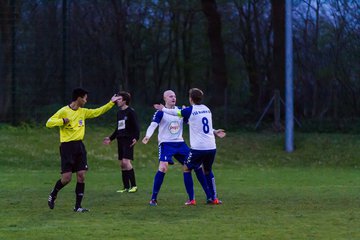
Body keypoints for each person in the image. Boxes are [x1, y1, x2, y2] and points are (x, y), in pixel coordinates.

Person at [46, 88, 121, 212]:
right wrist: (62, 121)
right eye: (85, 98)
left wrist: (111, 103)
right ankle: (53, 193)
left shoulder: (83, 112)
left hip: (79, 146)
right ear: (79, 98)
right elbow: (49, 123)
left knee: (81, 175)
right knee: (67, 178)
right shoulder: (64, 111)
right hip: (67, 147)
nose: (86, 100)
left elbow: (97, 112)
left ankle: (78, 206)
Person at [154, 88, 225, 204]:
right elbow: (201, 125)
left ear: (190, 99)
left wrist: (163, 109)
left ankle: (192, 199)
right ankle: (214, 198)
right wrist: (215, 131)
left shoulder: (189, 111)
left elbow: (175, 112)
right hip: (212, 147)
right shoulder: (207, 109)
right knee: (207, 170)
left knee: (187, 168)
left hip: (199, 148)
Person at [143, 90, 206, 206]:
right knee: (163, 167)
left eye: (175, 96)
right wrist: (147, 136)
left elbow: (194, 124)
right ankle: (153, 198)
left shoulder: (180, 111)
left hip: (180, 144)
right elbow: (153, 125)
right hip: (166, 144)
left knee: (196, 166)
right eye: (170, 96)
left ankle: (201, 197)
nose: (173, 98)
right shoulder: (160, 112)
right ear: (165, 99)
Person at [103, 91, 140, 193]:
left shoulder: (131, 112)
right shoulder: (119, 113)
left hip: (129, 140)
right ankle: (126, 187)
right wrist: (110, 138)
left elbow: (137, 127)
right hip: (120, 140)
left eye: (119, 99)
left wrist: (136, 138)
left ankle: (134, 186)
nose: (117, 101)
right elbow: (118, 128)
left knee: (126, 162)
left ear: (125, 100)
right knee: (122, 164)